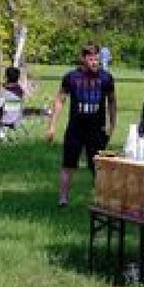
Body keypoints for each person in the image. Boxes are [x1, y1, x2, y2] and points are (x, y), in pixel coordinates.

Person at [47, 43, 117, 207]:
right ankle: (63, 199)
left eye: (97, 59)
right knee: (68, 164)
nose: (95, 62)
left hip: (97, 129)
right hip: (76, 129)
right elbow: (59, 101)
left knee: (98, 166)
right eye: (91, 59)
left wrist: (112, 124)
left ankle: (101, 199)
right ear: (83, 59)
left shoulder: (106, 78)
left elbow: (112, 102)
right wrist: (52, 126)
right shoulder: (71, 77)